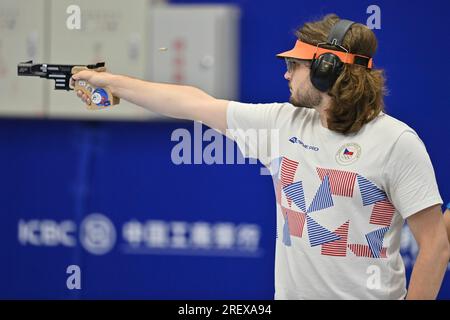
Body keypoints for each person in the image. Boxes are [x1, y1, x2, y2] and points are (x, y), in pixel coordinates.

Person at [71, 14, 450, 299]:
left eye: (293, 66)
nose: (285, 75)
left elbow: (434, 245)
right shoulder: (283, 123)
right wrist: (108, 82)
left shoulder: (397, 142)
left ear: (325, 70)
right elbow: (192, 102)